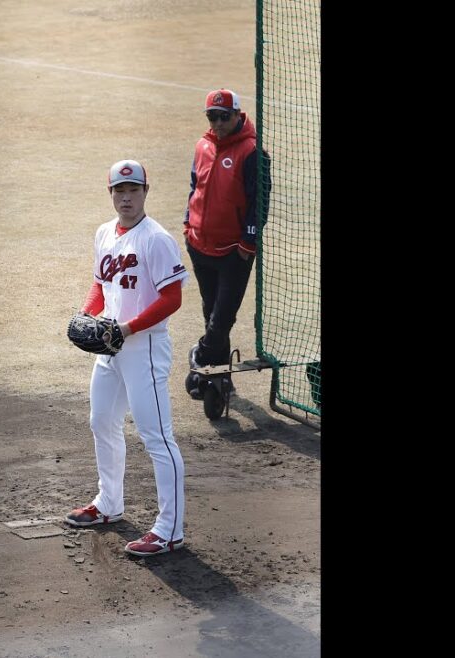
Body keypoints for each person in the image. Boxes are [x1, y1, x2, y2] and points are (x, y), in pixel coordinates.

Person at [63, 160, 189, 557]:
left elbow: (172, 298)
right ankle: (109, 504)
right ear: (111, 194)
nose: (127, 197)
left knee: (157, 437)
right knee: (102, 421)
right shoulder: (104, 233)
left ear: (145, 192)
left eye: (134, 190)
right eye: (120, 190)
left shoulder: (156, 239)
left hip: (144, 346)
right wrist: (86, 314)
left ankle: (169, 529)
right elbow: (100, 285)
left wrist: (128, 328)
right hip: (110, 345)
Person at [183, 88, 270, 399]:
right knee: (211, 313)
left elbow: (259, 203)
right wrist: (188, 223)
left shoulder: (253, 152)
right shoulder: (202, 146)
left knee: (222, 318)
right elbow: (195, 187)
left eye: (224, 116)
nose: (218, 123)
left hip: (234, 252)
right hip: (199, 245)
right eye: (212, 117)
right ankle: (219, 381)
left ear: (237, 115)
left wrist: (248, 243)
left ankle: (201, 357)